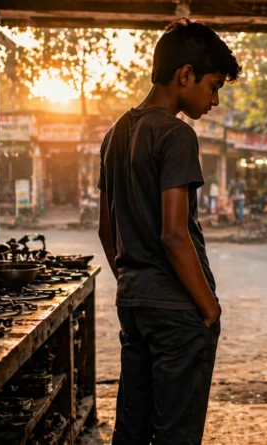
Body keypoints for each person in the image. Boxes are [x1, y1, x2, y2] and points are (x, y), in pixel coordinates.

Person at [97, 19, 241, 445]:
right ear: (184, 75)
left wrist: (133, 282)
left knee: (132, 429)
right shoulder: (176, 135)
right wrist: (209, 309)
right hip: (178, 314)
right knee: (176, 434)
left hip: (134, 304)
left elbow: (108, 230)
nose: (214, 100)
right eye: (213, 86)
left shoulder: (114, 135)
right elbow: (174, 235)